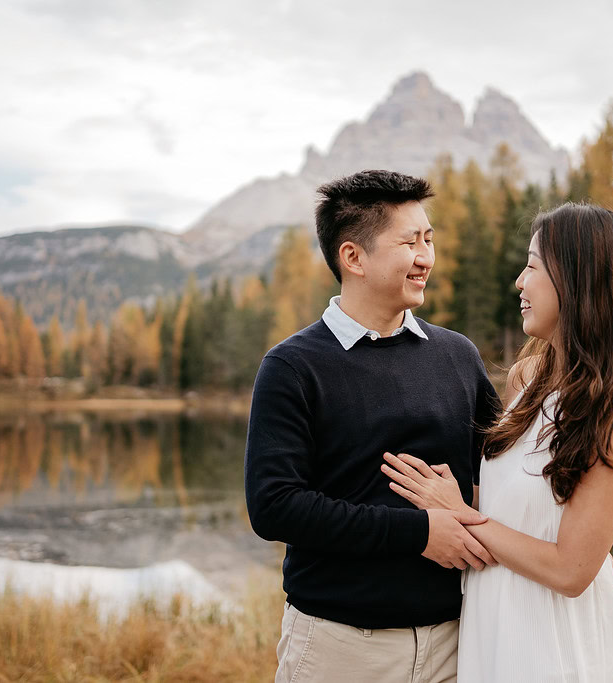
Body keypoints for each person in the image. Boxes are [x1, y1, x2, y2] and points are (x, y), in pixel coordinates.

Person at [382, 203, 613, 681]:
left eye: (532, 266)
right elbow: (515, 505)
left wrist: (459, 513)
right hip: (491, 614)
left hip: (551, 633)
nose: (519, 283)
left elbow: (570, 571)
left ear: (577, 279)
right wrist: (450, 499)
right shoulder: (528, 376)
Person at [244, 169, 501, 683]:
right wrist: (419, 533)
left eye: (429, 239)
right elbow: (274, 508)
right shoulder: (293, 367)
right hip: (339, 648)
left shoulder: (457, 354)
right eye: (410, 242)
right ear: (353, 257)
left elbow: (508, 469)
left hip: (457, 640)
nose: (426, 256)